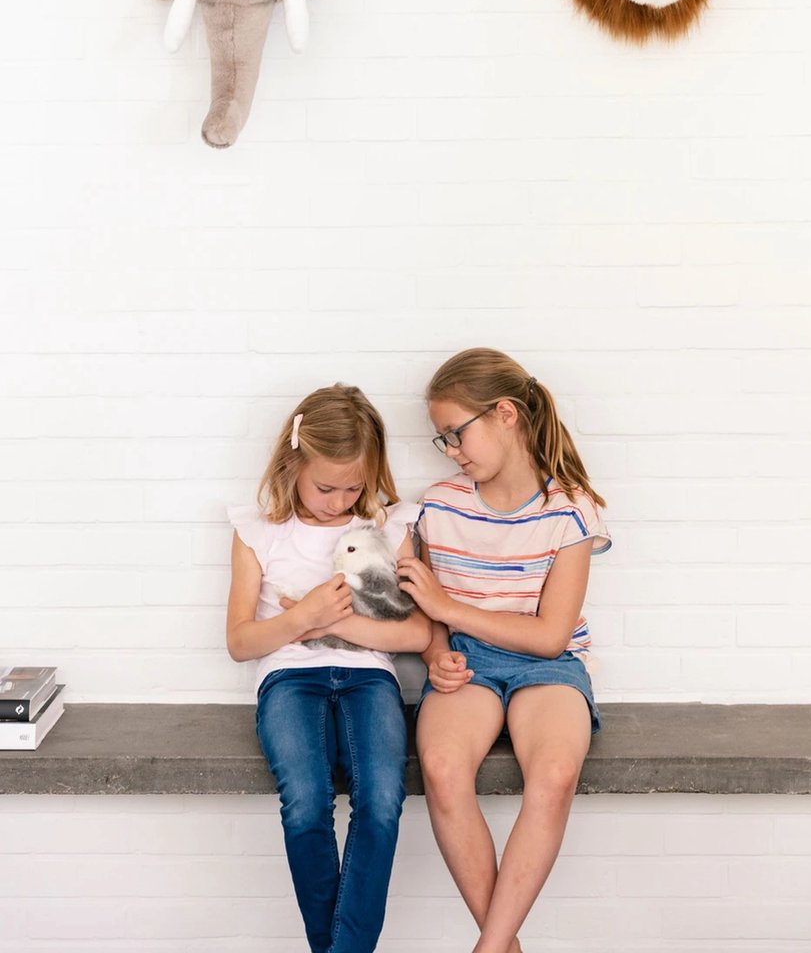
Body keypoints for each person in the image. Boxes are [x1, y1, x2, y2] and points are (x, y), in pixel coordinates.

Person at [398, 349, 611, 953]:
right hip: (468, 662)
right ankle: (504, 947)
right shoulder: (437, 505)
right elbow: (426, 610)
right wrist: (436, 650)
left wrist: (447, 608)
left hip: (548, 667)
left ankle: (489, 948)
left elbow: (549, 636)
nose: (451, 450)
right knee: (442, 768)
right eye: (442, 439)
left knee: (555, 773)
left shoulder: (570, 511)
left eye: (456, 433)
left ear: (505, 414)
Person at [226, 384, 431, 953]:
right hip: (290, 680)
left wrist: (331, 625)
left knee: (382, 801)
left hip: (370, 679)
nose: (339, 502)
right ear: (293, 462)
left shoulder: (389, 527)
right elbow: (240, 642)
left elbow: (418, 632)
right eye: (325, 487)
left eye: (353, 487)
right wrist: (303, 617)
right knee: (306, 804)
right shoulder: (258, 532)